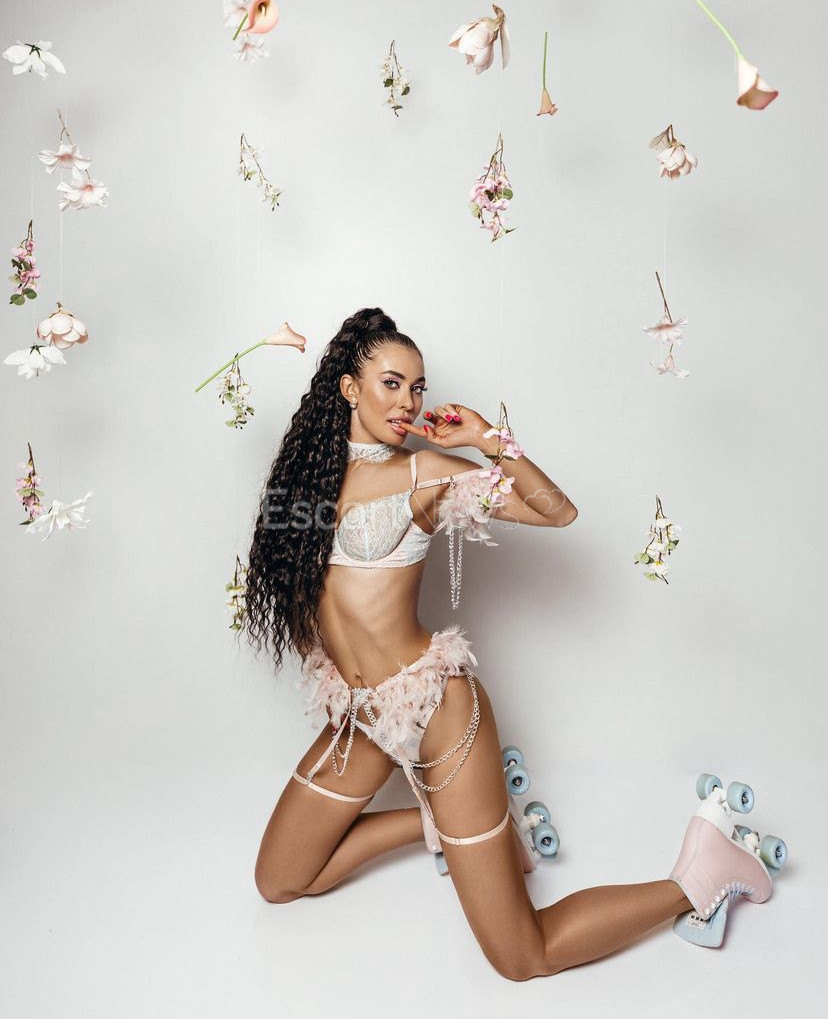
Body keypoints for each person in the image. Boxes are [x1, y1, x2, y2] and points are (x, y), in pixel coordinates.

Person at [245, 308, 774, 980]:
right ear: (349, 387)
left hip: (437, 713)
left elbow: (557, 512)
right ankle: (450, 822)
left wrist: (487, 439)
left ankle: (701, 875)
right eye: (391, 383)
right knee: (281, 879)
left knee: (522, 955)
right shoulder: (306, 482)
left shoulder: (426, 473)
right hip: (365, 720)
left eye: (417, 387)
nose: (409, 402)